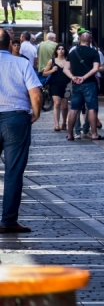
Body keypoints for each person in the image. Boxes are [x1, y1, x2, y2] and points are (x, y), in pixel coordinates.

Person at [0, 28, 41, 233]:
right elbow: (35, 94)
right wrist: (36, 113)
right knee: (13, 172)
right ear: (10, 44)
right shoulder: (21, 63)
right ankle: (8, 220)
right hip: (16, 118)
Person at [66, 32, 104, 141]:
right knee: (92, 108)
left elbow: (65, 69)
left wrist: (73, 77)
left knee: (74, 109)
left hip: (76, 84)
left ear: (79, 39)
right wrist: (84, 77)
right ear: (90, 40)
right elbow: (96, 68)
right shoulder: (94, 52)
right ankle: (94, 134)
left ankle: (70, 134)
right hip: (89, 83)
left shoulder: (73, 53)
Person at [42, 44, 74, 132]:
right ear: (56, 51)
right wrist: (52, 70)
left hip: (66, 85)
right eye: (59, 49)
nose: (61, 50)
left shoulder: (68, 61)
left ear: (65, 50)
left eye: (62, 49)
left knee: (64, 106)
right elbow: (44, 73)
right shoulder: (52, 61)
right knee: (56, 103)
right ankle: (56, 125)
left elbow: (72, 72)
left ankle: (64, 122)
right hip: (55, 84)